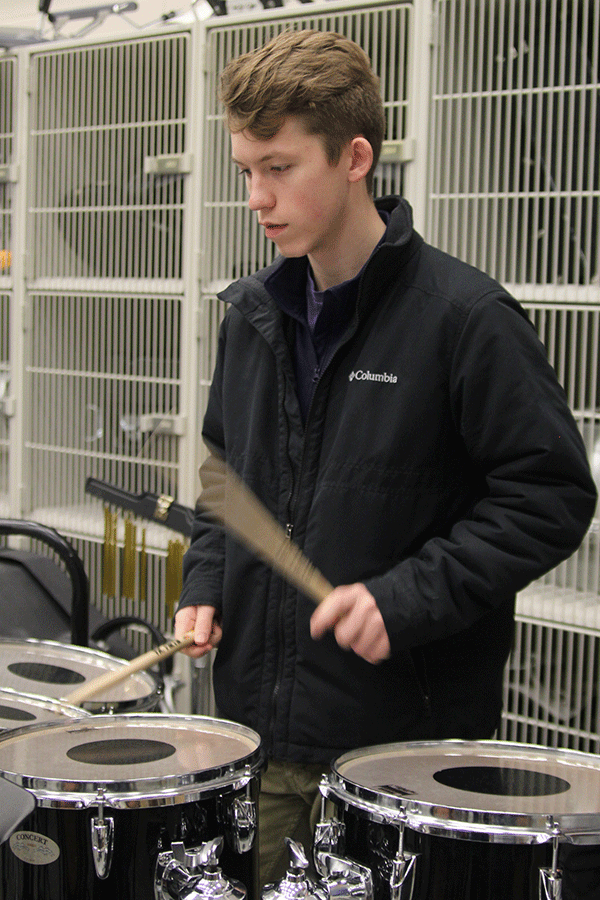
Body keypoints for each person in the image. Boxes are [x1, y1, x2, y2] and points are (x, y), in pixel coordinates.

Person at [175, 28, 598, 891]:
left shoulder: (464, 319)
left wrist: (404, 597)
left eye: (279, 167)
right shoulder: (251, 314)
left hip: (396, 761)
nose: (256, 195)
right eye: (245, 170)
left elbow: (550, 495)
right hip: (256, 732)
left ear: (356, 155)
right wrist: (207, 580)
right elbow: (231, 471)